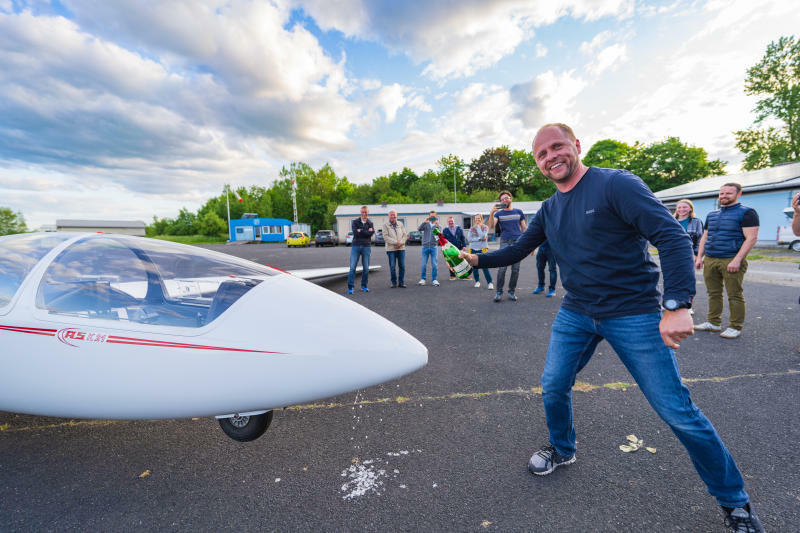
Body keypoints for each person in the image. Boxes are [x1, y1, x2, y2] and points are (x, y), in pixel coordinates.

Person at [460, 123, 763, 532]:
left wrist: (676, 304)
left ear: (576, 146)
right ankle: (563, 449)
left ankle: (735, 502)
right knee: (553, 384)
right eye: (541, 154)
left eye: (557, 147)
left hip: (633, 312)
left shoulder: (616, 185)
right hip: (577, 312)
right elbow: (518, 249)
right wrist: (475, 259)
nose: (550, 157)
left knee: (677, 411)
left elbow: (671, 237)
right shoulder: (550, 209)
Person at [694, 184, 759, 339]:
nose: (724, 196)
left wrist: (737, 260)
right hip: (711, 258)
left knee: (734, 294)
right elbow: (705, 237)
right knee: (713, 293)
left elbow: (751, 238)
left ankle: (735, 326)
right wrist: (699, 257)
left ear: (739, 194)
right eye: (722, 193)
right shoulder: (711, 214)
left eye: (728, 193)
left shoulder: (747, 213)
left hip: (731, 258)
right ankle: (713, 322)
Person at [487, 190, 526, 302]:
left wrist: (530, 245)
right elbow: (491, 226)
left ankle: (511, 292)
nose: (504, 200)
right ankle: (499, 292)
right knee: (502, 268)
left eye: (506, 198)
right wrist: (492, 213)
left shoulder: (519, 212)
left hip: (518, 242)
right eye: (502, 199)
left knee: (515, 269)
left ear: (511, 198)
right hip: (504, 242)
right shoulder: (499, 213)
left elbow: (524, 229)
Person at [347, 205, 374, 294]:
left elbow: (371, 233)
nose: (364, 213)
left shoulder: (370, 223)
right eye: (362, 212)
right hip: (356, 246)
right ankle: (350, 287)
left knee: (366, 268)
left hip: (366, 246)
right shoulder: (355, 222)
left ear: (368, 213)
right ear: (360, 212)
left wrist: (361, 231)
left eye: (365, 212)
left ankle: (364, 286)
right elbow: (355, 233)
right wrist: (366, 231)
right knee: (352, 268)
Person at [466, 213, 494, 290]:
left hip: (482, 249)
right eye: (476, 218)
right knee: (475, 267)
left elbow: (483, 236)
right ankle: (477, 281)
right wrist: (479, 239)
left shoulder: (485, 227)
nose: (477, 220)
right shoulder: (471, 228)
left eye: (479, 218)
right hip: (473, 249)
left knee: (485, 266)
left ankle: (490, 283)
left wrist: (478, 228)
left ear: (481, 219)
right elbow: (469, 239)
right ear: (474, 219)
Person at [382, 210, 407, 288]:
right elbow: (385, 237)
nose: (393, 216)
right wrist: (396, 243)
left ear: (396, 216)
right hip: (391, 249)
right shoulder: (385, 225)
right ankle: (393, 282)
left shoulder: (400, 224)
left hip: (401, 248)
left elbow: (405, 235)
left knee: (402, 266)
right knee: (392, 266)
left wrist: (400, 243)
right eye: (391, 215)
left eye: (394, 215)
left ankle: (401, 282)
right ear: (389, 216)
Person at [418, 211, 441, 286]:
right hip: (425, 247)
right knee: (423, 264)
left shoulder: (438, 225)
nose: (432, 217)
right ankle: (423, 279)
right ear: (429, 216)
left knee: (434, 264)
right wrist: (424, 222)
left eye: (434, 216)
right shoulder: (426, 224)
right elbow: (419, 229)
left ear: (436, 217)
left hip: (433, 247)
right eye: (431, 216)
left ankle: (434, 279)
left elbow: (440, 236)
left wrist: (437, 226)